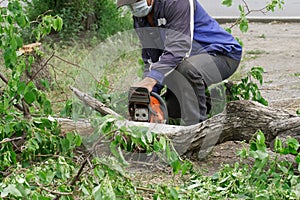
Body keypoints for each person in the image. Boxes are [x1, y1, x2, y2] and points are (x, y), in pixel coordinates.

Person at [116, 0, 242, 125]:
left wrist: (151, 79)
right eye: (130, 5)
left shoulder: (177, 2)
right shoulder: (140, 19)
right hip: (183, 62)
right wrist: (149, 94)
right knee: (172, 111)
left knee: (188, 70)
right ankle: (209, 101)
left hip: (221, 55)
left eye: (136, 3)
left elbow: (179, 48)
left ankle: (196, 130)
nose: (134, 8)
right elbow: (151, 58)